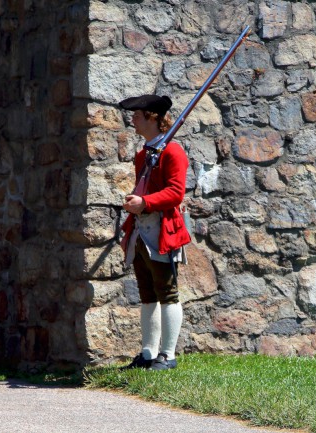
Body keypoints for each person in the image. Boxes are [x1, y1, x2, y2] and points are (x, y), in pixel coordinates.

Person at [118, 94, 191, 371]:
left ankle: (168, 355)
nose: (133, 119)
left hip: (162, 229)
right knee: (147, 292)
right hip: (141, 228)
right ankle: (148, 353)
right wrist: (137, 202)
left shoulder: (172, 151)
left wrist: (145, 203)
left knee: (167, 293)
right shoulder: (144, 154)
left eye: (137, 115)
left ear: (151, 117)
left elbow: (175, 192)